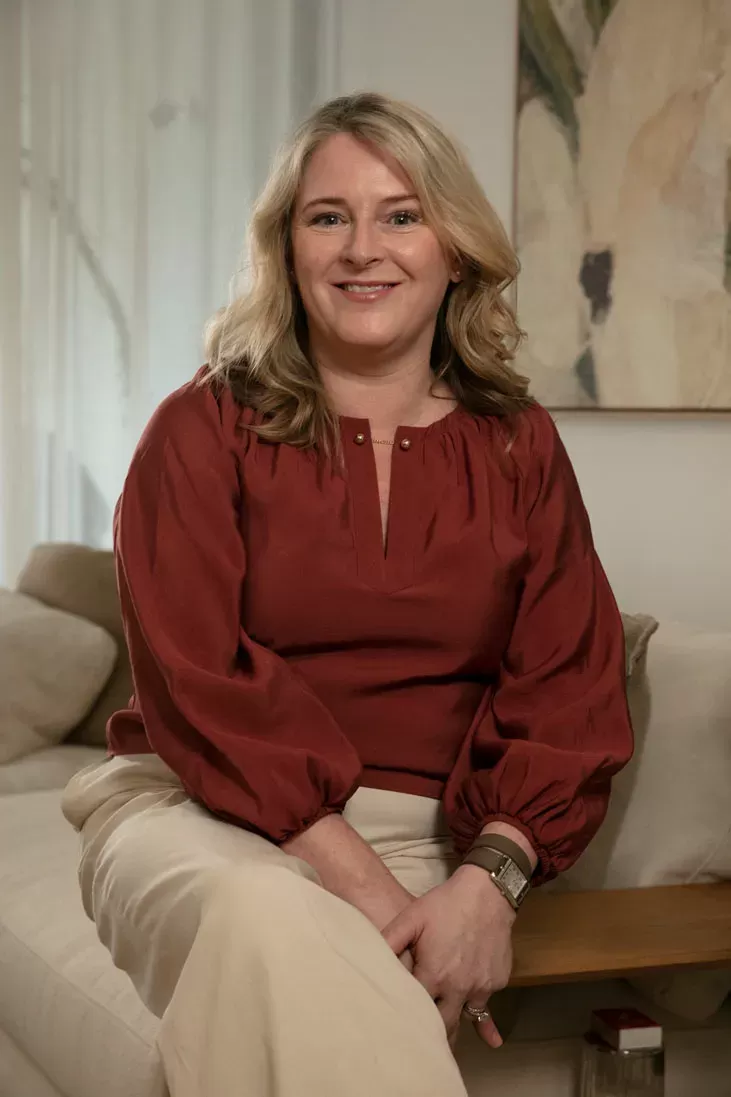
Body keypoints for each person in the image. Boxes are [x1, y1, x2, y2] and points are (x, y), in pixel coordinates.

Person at [62, 92, 633, 1097]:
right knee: (268, 913)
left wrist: (484, 886)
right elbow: (202, 684)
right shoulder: (198, 429)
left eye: (399, 214)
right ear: (287, 250)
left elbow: (566, 685)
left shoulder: (519, 445)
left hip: (431, 835)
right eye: (328, 216)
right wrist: (371, 901)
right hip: (193, 814)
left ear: (453, 248)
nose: (361, 247)